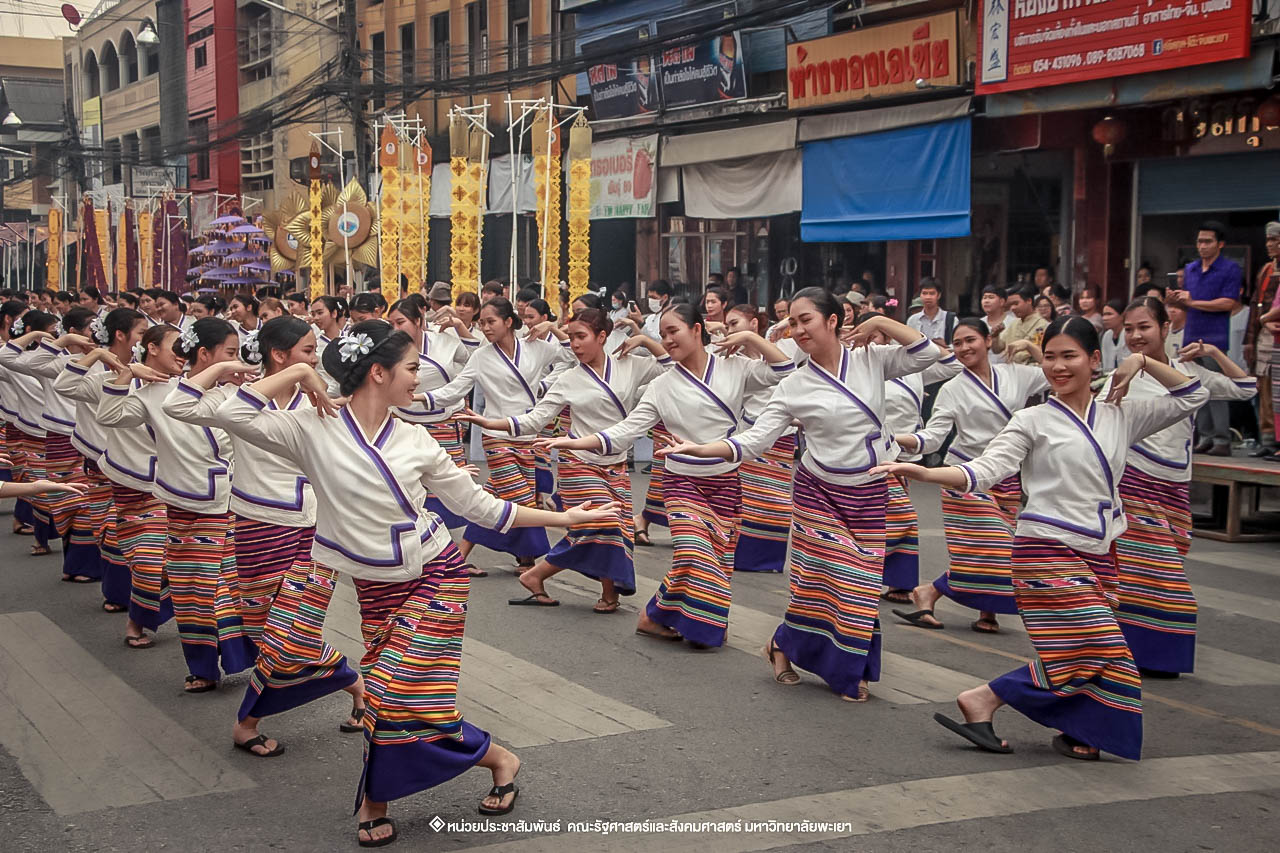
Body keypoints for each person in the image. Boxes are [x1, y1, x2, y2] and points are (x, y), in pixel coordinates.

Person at [214, 319, 617, 847]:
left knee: (389, 694)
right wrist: (299, 372)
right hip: (375, 588)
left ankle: (373, 801)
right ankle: (498, 757)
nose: (419, 380)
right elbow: (229, 411)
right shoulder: (311, 427)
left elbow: (481, 508)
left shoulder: (417, 440)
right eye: (410, 369)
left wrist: (565, 521)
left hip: (437, 577)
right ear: (377, 373)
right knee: (410, 702)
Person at [877, 315, 1209, 760]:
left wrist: (1142, 361)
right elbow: (985, 469)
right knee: (1102, 647)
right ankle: (987, 697)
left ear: (1095, 360)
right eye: (1050, 357)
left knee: (1094, 654)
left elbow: (1194, 393)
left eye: (1069, 356)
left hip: (1100, 553)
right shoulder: (1031, 420)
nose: (1058, 366)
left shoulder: (1121, 415)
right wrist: (927, 471)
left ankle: (1079, 730)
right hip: (1045, 550)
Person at [657, 292, 939, 699]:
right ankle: (847, 672)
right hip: (819, 491)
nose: (798, 330)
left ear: (834, 321)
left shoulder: (872, 360)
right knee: (835, 579)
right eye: (792, 323)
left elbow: (926, 353)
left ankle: (783, 645)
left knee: (857, 582)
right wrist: (700, 448)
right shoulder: (794, 385)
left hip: (870, 490)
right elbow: (752, 441)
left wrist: (879, 320)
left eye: (806, 320)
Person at [163, 316, 366, 756]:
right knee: (261, 630)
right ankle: (355, 685)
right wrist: (221, 370)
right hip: (254, 527)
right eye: (308, 352)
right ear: (281, 355)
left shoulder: (322, 400)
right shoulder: (238, 398)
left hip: (314, 532)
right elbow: (176, 407)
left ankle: (248, 722)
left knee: (293, 630)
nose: (315, 360)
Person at [543, 303, 793, 650]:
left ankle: (658, 618)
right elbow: (624, 432)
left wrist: (750, 336)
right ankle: (673, 618)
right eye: (662, 334)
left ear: (697, 329)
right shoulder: (662, 385)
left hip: (726, 483)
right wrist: (572, 441)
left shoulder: (736, 368)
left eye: (674, 331)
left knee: (718, 560)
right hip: (682, 483)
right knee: (693, 553)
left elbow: (784, 368)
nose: (668, 340)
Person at [461, 308, 670, 611]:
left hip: (615, 464)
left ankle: (556, 579)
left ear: (602, 337)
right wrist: (489, 423)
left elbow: (672, 369)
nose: (575, 344)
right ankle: (550, 576)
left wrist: (645, 341)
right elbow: (534, 420)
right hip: (578, 463)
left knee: (616, 530)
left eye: (581, 336)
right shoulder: (569, 379)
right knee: (605, 521)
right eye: (571, 337)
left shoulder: (631, 366)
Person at [98, 319, 258, 693]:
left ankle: (237, 655)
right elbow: (109, 417)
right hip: (182, 506)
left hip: (230, 506)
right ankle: (202, 666)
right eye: (230, 354)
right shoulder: (160, 393)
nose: (237, 362)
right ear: (205, 355)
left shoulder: (236, 394)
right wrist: (124, 375)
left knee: (221, 587)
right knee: (190, 592)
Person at [1107, 298, 1254, 677]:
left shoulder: (1187, 372)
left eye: (1145, 327)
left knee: (1163, 571)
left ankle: (1153, 650)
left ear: (1166, 328)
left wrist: (1215, 352)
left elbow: (1246, 387)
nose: (1136, 336)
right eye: (1130, 328)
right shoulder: (1119, 376)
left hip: (1174, 487)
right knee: (1142, 572)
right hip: (1134, 482)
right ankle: (1140, 652)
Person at [891, 319, 1049, 634]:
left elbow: (1057, 372)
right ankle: (936, 591)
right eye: (958, 343)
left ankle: (971, 607)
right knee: (999, 546)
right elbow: (934, 437)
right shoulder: (952, 389)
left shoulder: (1016, 374)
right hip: (963, 476)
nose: (964, 348)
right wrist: (894, 438)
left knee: (982, 551)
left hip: (1006, 476)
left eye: (971, 340)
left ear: (988, 340)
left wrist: (1031, 347)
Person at [419, 298, 573, 574]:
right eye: (482, 323)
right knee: (523, 499)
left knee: (495, 498)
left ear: (508, 322)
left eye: (491, 322)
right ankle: (534, 568)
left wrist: (553, 328)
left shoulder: (536, 347)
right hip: (495, 434)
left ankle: (461, 556)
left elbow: (572, 356)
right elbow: (454, 390)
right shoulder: (481, 355)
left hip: (527, 435)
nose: (486, 328)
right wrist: (418, 398)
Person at [59, 319, 168, 647]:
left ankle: (153, 617)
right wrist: (97, 357)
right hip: (123, 478)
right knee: (138, 556)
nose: (182, 356)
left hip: (172, 485)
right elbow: (64, 386)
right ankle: (134, 613)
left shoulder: (185, 387)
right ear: (148, 347)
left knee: (172, 562)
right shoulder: (107, 381)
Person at [871, 315, 960, 603]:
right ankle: (860, 563)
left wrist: (919, 340)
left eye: (879, 335)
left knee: (890, 516)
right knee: (902, 517)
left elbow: (953, 364)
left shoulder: (915, 370)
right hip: (876, 451)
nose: (874, 341)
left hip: (908, 451)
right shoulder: (866, 368)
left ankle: (897, 582)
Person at [386, 298, 477, 525]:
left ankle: (444, 547)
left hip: (442, 421)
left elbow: (473, 359)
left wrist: (460, 327)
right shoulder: (390, 349)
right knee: (408, 482)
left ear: (418, 321)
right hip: (404, 422)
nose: (396, 329)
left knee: (448, 483)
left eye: (401, 322)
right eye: (392, 324)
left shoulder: (443, 341)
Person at [724, 304, 799, 574]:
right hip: (750, 433)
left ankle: (769, 560)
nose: (729, 330)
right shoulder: (732, 359)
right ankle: (743, 556)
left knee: (776, 501)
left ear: (755, 324)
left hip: (782, 433)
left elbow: (818, 322)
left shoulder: (786, 346)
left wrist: (783, 324)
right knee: (749, 499)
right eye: (727, 326)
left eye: (735, 324)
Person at [1170, 221, 1243, 456]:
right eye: (1199, 241)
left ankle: (1222, 439)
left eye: (1207, 241)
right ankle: (1205, 436)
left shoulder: (1230, 269)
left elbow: (1228, 302)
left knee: (1217, 389)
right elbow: (1188, 302)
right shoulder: (1190, 269)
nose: (1202, 246)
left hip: (1214, 338)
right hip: (1191, 334)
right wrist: (1177, 298)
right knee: (1195, 387)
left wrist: (1193, 302)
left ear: (1220, 244)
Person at [1246, 222, 1280, 457]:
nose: (1270, 244)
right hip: (1266, 333)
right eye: (1268, 240)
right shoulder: (1266, 270)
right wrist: (1250, 338)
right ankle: (1267, 437)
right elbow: (1255, 304)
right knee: (1265, 385)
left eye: (1275, 240)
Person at [992, 284, 1048, 364]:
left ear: (1029, 301)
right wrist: (995, 336)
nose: (1012, 308)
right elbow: (997, 350)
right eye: (1010, 305)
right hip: (1012, 369)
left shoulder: (1043, 325)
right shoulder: (1014, 323)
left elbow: (1044, 357)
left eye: (1016, 303)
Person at [906, 278, 956, 344]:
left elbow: (957, 345)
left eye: (932, 293)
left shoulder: (951, 319)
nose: (928, 297)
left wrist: (945, 346)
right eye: (924, 293)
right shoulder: (912, 320)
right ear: (920, 295)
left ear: (938, 295)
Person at [1100, 297, 1131, 371]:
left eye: (1109, 314)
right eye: (1104, 314)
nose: (1105, 318)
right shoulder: (1107, 335)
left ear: (1122, 316)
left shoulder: (1128, 334)